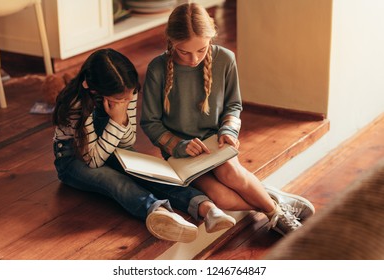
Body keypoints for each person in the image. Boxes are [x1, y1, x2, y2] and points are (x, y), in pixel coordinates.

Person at [140, 3, 315, 236]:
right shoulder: (157, 69)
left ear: (211, 39)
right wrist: (179, 146)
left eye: (201, 50)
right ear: (171, 41)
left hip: (215, 143)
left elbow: (234, 105)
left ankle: (278, 217)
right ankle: (274, 201)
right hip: (180, 153)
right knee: (221, 197)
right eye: (184, 51)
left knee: (229, 174)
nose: (194, 59)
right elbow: (150, 123)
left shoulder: (225, 59)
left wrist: (229, 131)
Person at [52, 48, 236, 243]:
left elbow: (127, 142)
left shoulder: (127, 91)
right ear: (96, 91)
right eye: (120, 99)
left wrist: (120, 116)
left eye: (131, 95)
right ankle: (158, 212)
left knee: (148, 173)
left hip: (111, 146)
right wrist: (116, 120)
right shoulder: (76, 104)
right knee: (115, 181)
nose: (128, 100)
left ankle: (207, 208)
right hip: (74, 158)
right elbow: (94, 160)